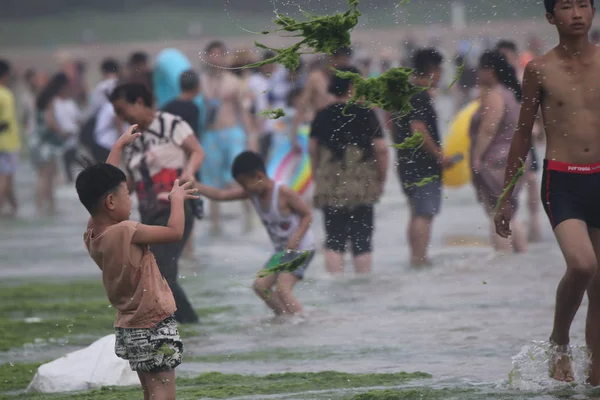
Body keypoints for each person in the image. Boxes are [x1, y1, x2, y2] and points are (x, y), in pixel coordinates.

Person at [495, 0, 600, 385]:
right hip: (563, 181)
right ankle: (559, 341)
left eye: (584, 5)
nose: (576, 13)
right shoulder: (539, 68)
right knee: (583, 264)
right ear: (550, 16)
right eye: (566, 6)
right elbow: (523, 132)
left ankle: (593, 384)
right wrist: (506, 196)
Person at [76, 124, 199, 400]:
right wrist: (176, 200)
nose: (130, 200)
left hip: (129, 327)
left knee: (149, 391)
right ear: (111, 201)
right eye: (126, 194)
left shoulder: (93, 234)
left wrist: (118, 147)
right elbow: (175, 232)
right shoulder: (127, 231)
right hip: (154, 323)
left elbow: (103, 184)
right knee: (164, 393)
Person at [109, 82, 205, 325]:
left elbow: (197, 151)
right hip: (150, 216)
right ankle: (181, 326)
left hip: (177, 209)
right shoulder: (133, 140)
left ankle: (189, 327)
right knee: (153, 275)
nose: (121, 118)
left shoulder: (171, 124)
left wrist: (190, 172)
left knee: (161, 274)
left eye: (123, 111)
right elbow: (129, 183)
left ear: (139, 102)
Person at [194, 151, 315, 319]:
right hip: (282, 252)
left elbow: (307, 215)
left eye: (245, 184)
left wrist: (296, 237)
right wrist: (196, 186)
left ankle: (303, 323)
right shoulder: (252, 193)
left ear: (259, 175)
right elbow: (221, 195)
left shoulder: (283, 192)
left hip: (301, 249)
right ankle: (283, 318)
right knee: (260, 286)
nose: (244, 189)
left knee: (282, 290)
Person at [309, 67, 389, 275]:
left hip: (330, 182)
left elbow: (312, 150)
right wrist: (382, 179)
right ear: (351, 86)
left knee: (334, 238)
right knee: (362, 238)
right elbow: (381, 149)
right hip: (360, 182)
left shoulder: (322, 115)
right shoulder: (365, 113)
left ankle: (335, 286)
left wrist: (317, 177)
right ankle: (362, 288)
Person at [394, 48, 455, 267]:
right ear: (432, 70)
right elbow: (418, 129)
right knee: (424, 214)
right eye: (439, 70)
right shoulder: (419, 95)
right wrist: (440, 157)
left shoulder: (403, 92)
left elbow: (392, 123)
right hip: (422, 164)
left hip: (405, 161)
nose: (441, 76)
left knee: (415, 212)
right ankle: (420, 259)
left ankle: (415, 258)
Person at [470, 50, 528, 253]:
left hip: (496, 162)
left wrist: (476, 157)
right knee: (510, 214)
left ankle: (504, 266)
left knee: (498, 215)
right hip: (513, 159)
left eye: (481, 68)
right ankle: (522, 259)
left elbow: (488, 129)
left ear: (490, 70)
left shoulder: (495, 95)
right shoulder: (510, 93)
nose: (477, 73)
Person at [201, 41, 257, 235]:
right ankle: (215, 225)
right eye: (212, 54)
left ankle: (249, 218)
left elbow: (243, 111)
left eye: (219, 54)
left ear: (225, 57)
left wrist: (250, 137)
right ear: (207, 57)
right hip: (210, 134)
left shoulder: (233, 82)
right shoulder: (202, 82)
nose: (216, 58)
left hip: (232, 132)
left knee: (239, 175)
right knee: (212, 180)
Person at [496, 40, 543, 242]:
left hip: (524, 135)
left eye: (507, 57)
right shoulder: (496, 84)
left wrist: (539, 127)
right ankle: (513, 227)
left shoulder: (523, 78)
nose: (505, 61)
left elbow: (538, 103)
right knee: (509, 183)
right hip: (503, 141)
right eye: (501, 58)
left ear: (515, 57)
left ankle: (534, 221)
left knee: (531, 178)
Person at [162, 69, 204, 260]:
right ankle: (189, 249)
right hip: (187, 163)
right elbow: (191, 139)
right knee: (189, 204)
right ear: (196, 87)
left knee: (172, 203)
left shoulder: (167, 106)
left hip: (168, 162)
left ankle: (175, 246)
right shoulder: (193, 108)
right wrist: (191, 168)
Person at [290, 47, 353, 151]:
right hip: (321, 128)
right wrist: (294, 137)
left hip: (343, 129)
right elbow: (301, 106)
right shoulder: (315, 78)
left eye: (345, 61)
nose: (343, 64)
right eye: (340, 60)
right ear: (331, 59)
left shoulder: (349, 79)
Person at [31, 73, 73, 215]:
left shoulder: (42, 97)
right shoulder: (51, 100)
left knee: (46, 175)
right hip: (46, 144)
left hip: (38, 142)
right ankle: (40, 207)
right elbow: (50, 122)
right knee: (45, 176)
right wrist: (63, 132)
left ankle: (50, 207)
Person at [0, 60, 20, 218]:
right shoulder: (6, 95)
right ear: (5, 75)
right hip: (7, 143)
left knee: (8, 178)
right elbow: (5, 123)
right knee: (5, 178)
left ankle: (15, 209)